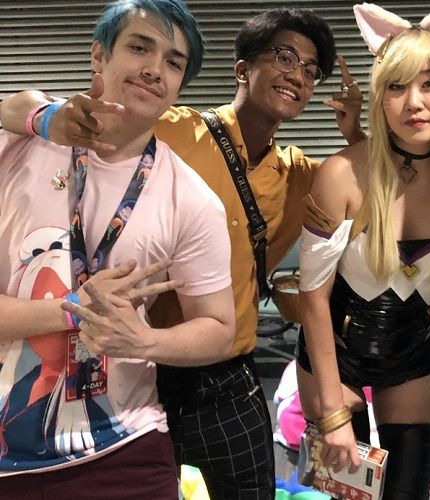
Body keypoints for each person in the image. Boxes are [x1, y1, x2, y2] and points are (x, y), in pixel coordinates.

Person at [0, 6, 364, 498]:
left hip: (215, 369)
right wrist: (41, 116)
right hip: (135, 372)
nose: (297, 75)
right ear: (241, 69)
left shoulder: (298, 174)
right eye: (284, 57)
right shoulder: (169, 124)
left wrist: (356, 135)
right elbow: (31, 107)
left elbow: (359, 189)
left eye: (310, 69)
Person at [0, 0, 236, 497]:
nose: (155, 69)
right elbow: (15, 104)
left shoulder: (191, 199)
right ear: (97, 56)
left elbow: (219, 329)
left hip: (123, 448)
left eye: (174, 62)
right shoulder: (17, 149)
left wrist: (150, 343)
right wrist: (73, 312)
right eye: (139, 47)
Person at [295, 2, 430, 498]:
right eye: (396, 86)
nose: (414, 102)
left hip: (415, 347)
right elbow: (312, 299)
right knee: (343, 492)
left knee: (409, 489)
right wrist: (334, 415)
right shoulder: (340, 173)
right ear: (379, 97)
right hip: (333, 352)